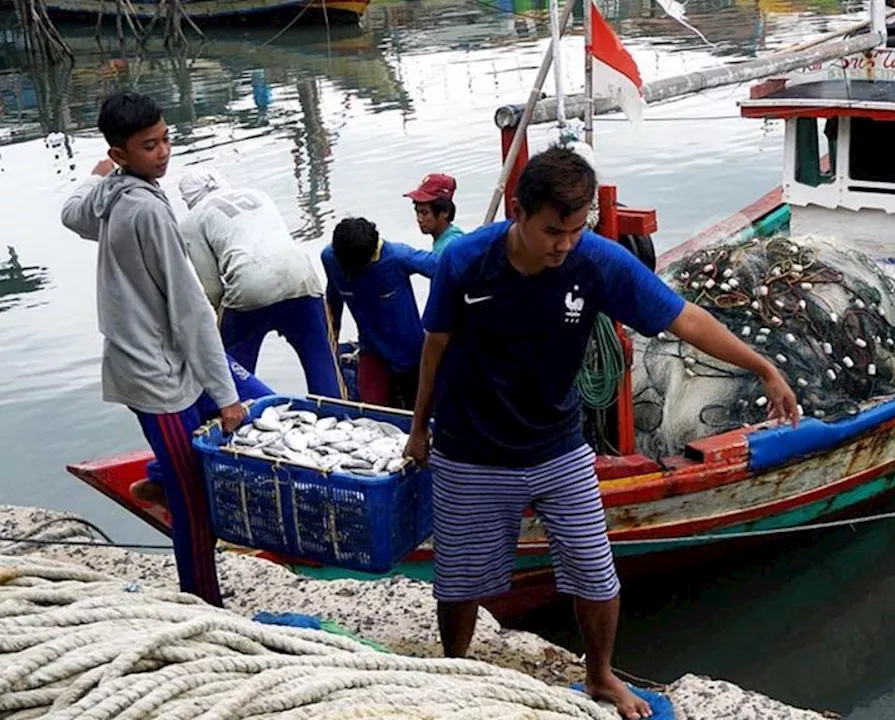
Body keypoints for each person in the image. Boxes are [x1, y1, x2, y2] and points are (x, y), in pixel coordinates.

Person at [403, 147, 799, 720]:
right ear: (519, 211)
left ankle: (599, 675)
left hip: (557, 444)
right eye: (551, 231)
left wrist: (762, 365)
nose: (564, 244)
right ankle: (455, 665)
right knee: (460, 579)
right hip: (472, 446)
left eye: (574, 229)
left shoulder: (597, 263)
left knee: (594, 568)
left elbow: (684, 318)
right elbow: (434, 348)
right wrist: (420, 430)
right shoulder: (465, 262)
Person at [60, 91, 262, 608]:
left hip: (155, 363)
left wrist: (97, 172)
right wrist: (226, 396)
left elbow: (71, 213)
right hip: (157, 378)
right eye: (149, 146)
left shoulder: (112, 193)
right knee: (194, 502)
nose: (164, 153)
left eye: (166, 139)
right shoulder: (147, 212)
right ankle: (204, 605)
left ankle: (156, 482)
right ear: (123, 153)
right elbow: (192, 309)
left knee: (192, 470)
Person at [178, 167, 344, 399]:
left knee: (230, 373)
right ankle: (337, 412)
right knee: (323, 362)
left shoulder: (191, 221)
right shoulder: (257, 194)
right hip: (301, 278)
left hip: (248, 289)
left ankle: (237, 419)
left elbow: (212, 287)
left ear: (188, 198)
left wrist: (225, 320)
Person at [321, 217, 437, 410]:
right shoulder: (330, 258)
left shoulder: (399, 257)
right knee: (371, 416)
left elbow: (449, 268)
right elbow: (334, 298)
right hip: (371, 349)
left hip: (410, 355)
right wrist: (331, 343)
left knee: (418, 413)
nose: (350, 275)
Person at [405, 173, 465, 254]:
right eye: (417, 212)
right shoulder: (444, 240)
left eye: (425, 213)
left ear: (445, 212)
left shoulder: (449, 247)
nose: (419, 219)